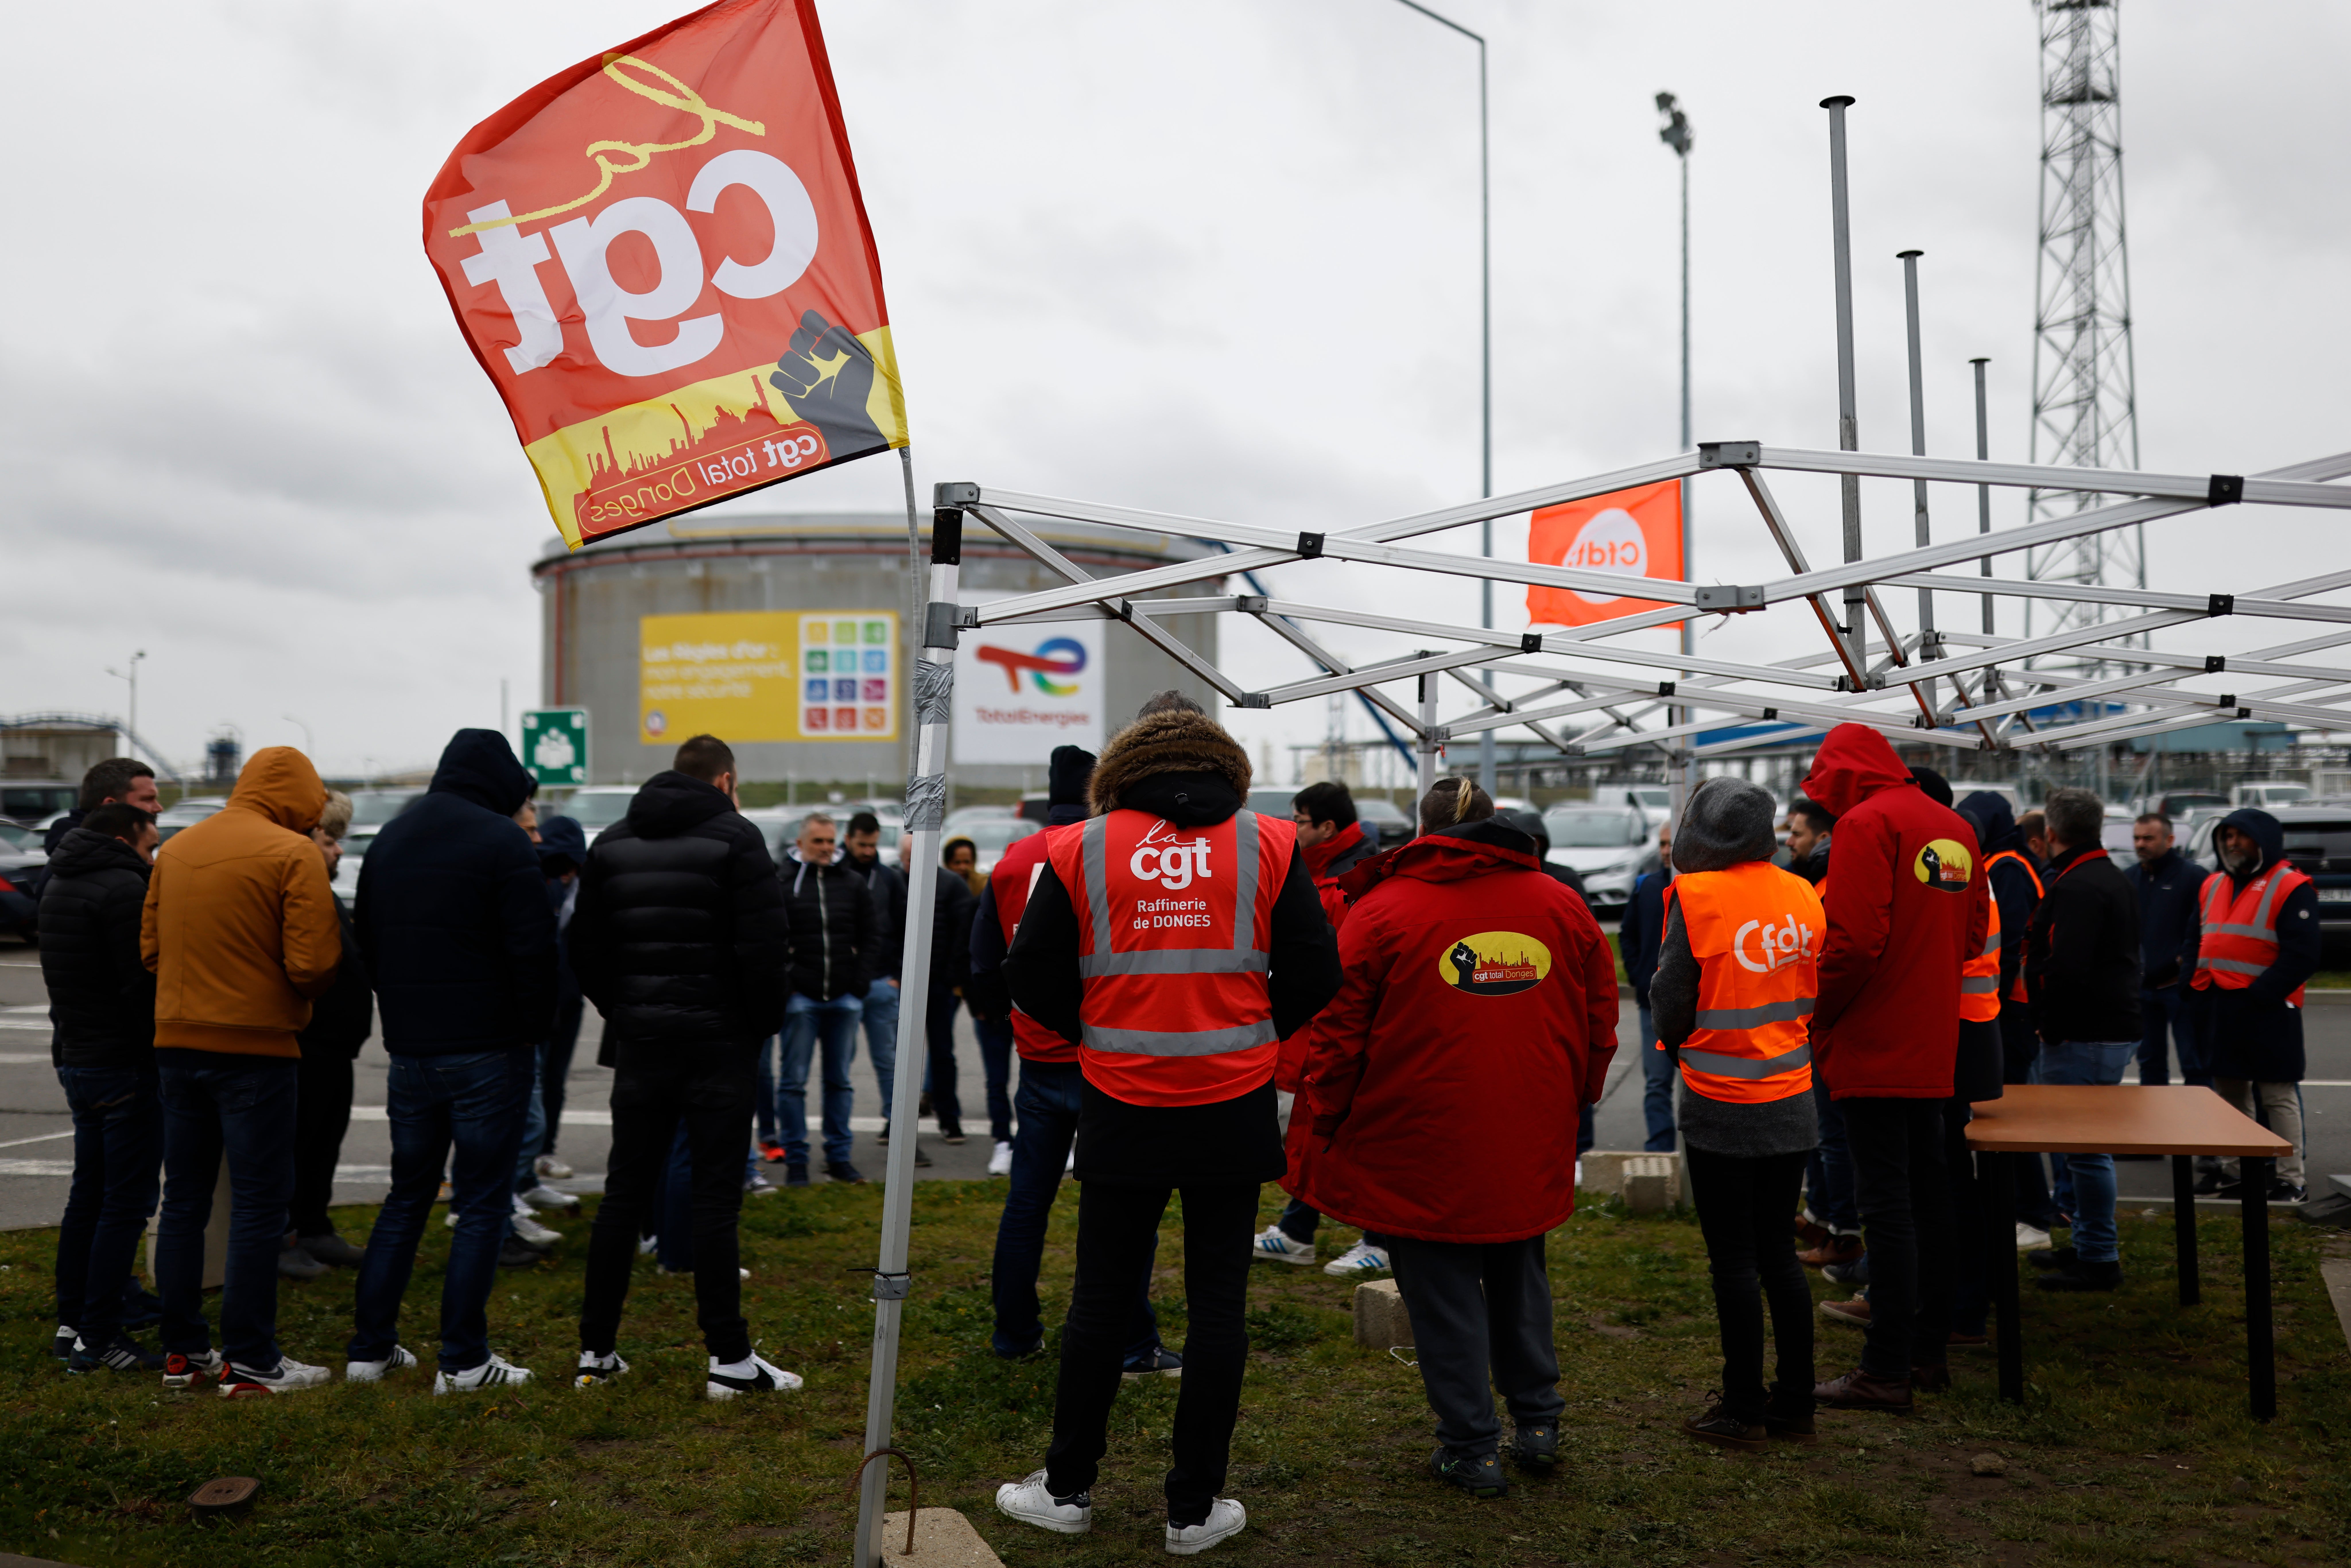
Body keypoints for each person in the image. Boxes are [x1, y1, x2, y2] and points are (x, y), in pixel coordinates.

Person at [996, 693, 1341, 1555]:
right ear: (1223, 762)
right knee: (1218, 1304)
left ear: (1123, 767)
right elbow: (1314, 968)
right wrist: (1255, 1033)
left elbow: (1029, 970)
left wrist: (1095, 1032)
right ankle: (1193, 1511)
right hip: (1231, 1099)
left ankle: (1068, 1489)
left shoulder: (1077, 847)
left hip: (1122, 1100)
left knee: (1100, 1299)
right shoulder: (1269, 841)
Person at [1297, 777, 1615, 1495]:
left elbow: (1337, 1035)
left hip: (1420, 1141)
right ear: (1498, 824)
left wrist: (1330, 1114)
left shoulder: (1381, 909)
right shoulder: (1562, 904)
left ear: (1422, 828)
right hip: (1526, 1131)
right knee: (1519, 1274)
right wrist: (1574, 1103)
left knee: (1441, 1294)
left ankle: (1471, 1445)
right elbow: (1601, 1021)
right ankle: (1537, 1420)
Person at [569, 735, 797, 1396]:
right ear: (725, 779)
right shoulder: (738, 838)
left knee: (623, 1193)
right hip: (719, 1044)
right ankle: (729, 1357)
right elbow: (766, 947)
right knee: (714, 1198)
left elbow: (583, 947)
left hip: (642, 1045)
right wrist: (756, 1028)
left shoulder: (610, 841)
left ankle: (596, 1351)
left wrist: (627, 1008)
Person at [347, 731, 556, 1390]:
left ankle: (369, 1349)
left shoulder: (390, 840)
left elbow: (367, 944)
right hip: (489, 1048)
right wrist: (532, 1031)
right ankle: (463, 1359)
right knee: (483, 1201)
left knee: (407, 1196)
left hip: (411, 1050)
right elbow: (534, 952)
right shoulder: (502, 842)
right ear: (501, 782)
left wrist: (403, 1014)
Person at [143, 746, 342, 1395]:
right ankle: (252, 1358)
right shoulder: (293, 853)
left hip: (176, 1042)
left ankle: (182, 1351)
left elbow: (149, 950)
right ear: (299, 799)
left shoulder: (175, 849)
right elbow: (314, 964)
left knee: (184, 1200)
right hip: (257, 1048)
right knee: (259, 1206)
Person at [1799, 724, 1983, 1413]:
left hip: (1873, 1042)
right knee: (1930, 1201)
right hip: (1933, 1041)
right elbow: (1970, 936)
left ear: (1840, 777)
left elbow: (1851, 941)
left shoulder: (1865, 823)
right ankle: (1926, 1353)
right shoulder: (1954, 827)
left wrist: (1818, 1014)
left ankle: (1884, 1370)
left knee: (1887, 1207)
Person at [973, 746, 1174, 1367]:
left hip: (1038, 1059)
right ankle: (1133, 1341)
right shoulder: (1109, 853)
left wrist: (1018, 1019)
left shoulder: (1012, 861)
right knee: (1121, 1204)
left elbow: (984, 970)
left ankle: (1014, 1333)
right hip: (1106, 1056)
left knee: (1026, 1203)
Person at [1646, 779, 1819, 1450]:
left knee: (1734, 1260)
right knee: (1779, 1250)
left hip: (1721, 1097)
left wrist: (1680, 1042)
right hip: (1791, 1091)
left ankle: (1742, 1403)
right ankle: (1796, 1403)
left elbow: (1669, 992)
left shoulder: (1695, 895)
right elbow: (1813, 981)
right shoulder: (1801, 890)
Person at [40, 802, 167, 1373]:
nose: (157, 841)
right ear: (126, 833)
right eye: (151, 832)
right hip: (122, 1065)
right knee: (126, 1203)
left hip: (80, 1059)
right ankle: (100, 1337)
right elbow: (139, 985)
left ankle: (75, 1321)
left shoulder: (61, 878)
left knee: (88, 1196)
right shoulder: (123, 888)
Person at [1254, 780, 1399, 1276]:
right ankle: (1298, 1229)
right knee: (1320, 1136)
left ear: (1327, 827)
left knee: (1354, 1136)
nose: (1290, 829)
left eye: (1298, 820)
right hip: (1317, 1034)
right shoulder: (1323, 874)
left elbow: (1344, 974)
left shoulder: (1352, 881)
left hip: (1340, 1035)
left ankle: (1380, 1238)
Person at [2018, 787, 2143, 1293]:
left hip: (2083, 1032)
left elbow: (2066, 969)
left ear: (2050, 834)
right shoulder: (2106, 875)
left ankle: (2099, 1257)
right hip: (2102, 1027)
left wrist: (2048, 1022)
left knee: (2086, 1151)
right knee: (2082, 1149)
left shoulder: (2075, 886)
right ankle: (2091, 1242)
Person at [2191, 808, 2317, 1205]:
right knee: (2229, 1092)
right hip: (2222, 1006)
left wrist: (2261, 994)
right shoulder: (2213, 885)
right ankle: (2236, 1171)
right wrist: (2190, 987)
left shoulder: (2290, 885)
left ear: (2262, 840)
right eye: (2226, 837)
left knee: (2277, 1093)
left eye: (2240, 836)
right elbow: (2198, 939)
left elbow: (2303, 954)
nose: (2231, 844)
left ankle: (2291, 1180)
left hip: (2269, 1009)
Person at [1959, 789, 2055, 1245]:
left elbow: (2010, 944)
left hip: (2010, 1011)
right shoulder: (2001, 864)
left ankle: (2033, 1215)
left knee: (2010, 1121)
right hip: (2007, 1009)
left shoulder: (2007, 868)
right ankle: (2027, 1210)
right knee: (2007, 1119)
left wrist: (1991, 1005)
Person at [285, 790, 372, 1275]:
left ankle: (315, 1226)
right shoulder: (295, 888)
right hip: (306, 1043)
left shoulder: (323, 889)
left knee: (324, 1141)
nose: (339, 850)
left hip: (336, 1046)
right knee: (296, 1144)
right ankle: (286, 1236)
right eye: (330, 839)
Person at [775, 810, 876, 1184]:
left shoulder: (851, 883)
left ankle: (839, 1156)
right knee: (793, 1083)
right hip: (801, 1001)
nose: (825, 848)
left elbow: (871, 936)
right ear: (801, 844)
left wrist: (859, 984)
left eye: (830, 841)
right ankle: (797, 1160)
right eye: (818, 841)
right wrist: (789, 986)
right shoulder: (783, 883)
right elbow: (771, 940)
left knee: (840, 1082)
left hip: (844, 1000)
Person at [837, 810, 907, 1152]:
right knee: (840, 1063)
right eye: (862, 844)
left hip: (881, 981)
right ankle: (839, 1141)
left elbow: (904, 925)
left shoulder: (888, 878)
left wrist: (897, 975)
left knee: (889, 1060)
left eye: (873, 845)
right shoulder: (835, 872)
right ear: (849, 839)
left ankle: (898, 1129)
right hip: (843, 985)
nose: (867, 851)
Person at [529, 813, 590, 1183]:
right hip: (539, 1001)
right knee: (532, 1081)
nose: (567, 871)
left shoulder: (585, 888)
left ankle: (545, 1152)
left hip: (570, 1000)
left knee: (555, 1081)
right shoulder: (539, 884)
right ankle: (525, 1163)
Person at [2129, 814, 2209, 1089]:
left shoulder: (2194, 877)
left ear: (2170, 840)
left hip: (2181, 988)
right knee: (2150, 1064)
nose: (2141, 844)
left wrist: (2184, 962)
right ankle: (2155, 1129)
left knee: (2195, 1063)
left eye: (2148, 838)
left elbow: (2207, 927)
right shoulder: (2130, 878)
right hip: (2144, 990)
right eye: (2137, 838)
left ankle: (2201, 1127)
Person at [1617, 820, 1678, 1154]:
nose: (1666, 851)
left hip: (1696, 1006)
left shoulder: (1700, 888)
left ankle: (1693, 1153)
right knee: (1657, 1082)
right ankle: (1661, 1149)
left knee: (1698, 1085)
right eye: (1662, 844)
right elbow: (1627, 934)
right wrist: (1638, 974)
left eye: (1672, 843)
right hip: (1650, 1003)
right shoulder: (1646, 886)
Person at [922, 841, 981, 1146]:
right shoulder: (936, 885)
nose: (963, 866)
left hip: (948, 983)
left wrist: (952, 979)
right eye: (957, 861)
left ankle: (944, 1112)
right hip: (939, 982)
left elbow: (964, 940)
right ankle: (916, 1104)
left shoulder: (974, 887)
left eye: (967, 861)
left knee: (942, 1049)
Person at [43, 757, 160, 856]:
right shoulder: (101, 866)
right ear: (111, 806)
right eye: (147, 799)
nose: (159, 808)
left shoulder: (75, 858)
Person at [1784, 798, 1833, 886]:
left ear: (1823, 838)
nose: (1789, 842)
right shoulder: (1809, 877)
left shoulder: (1832, 885)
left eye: (1797, 835)